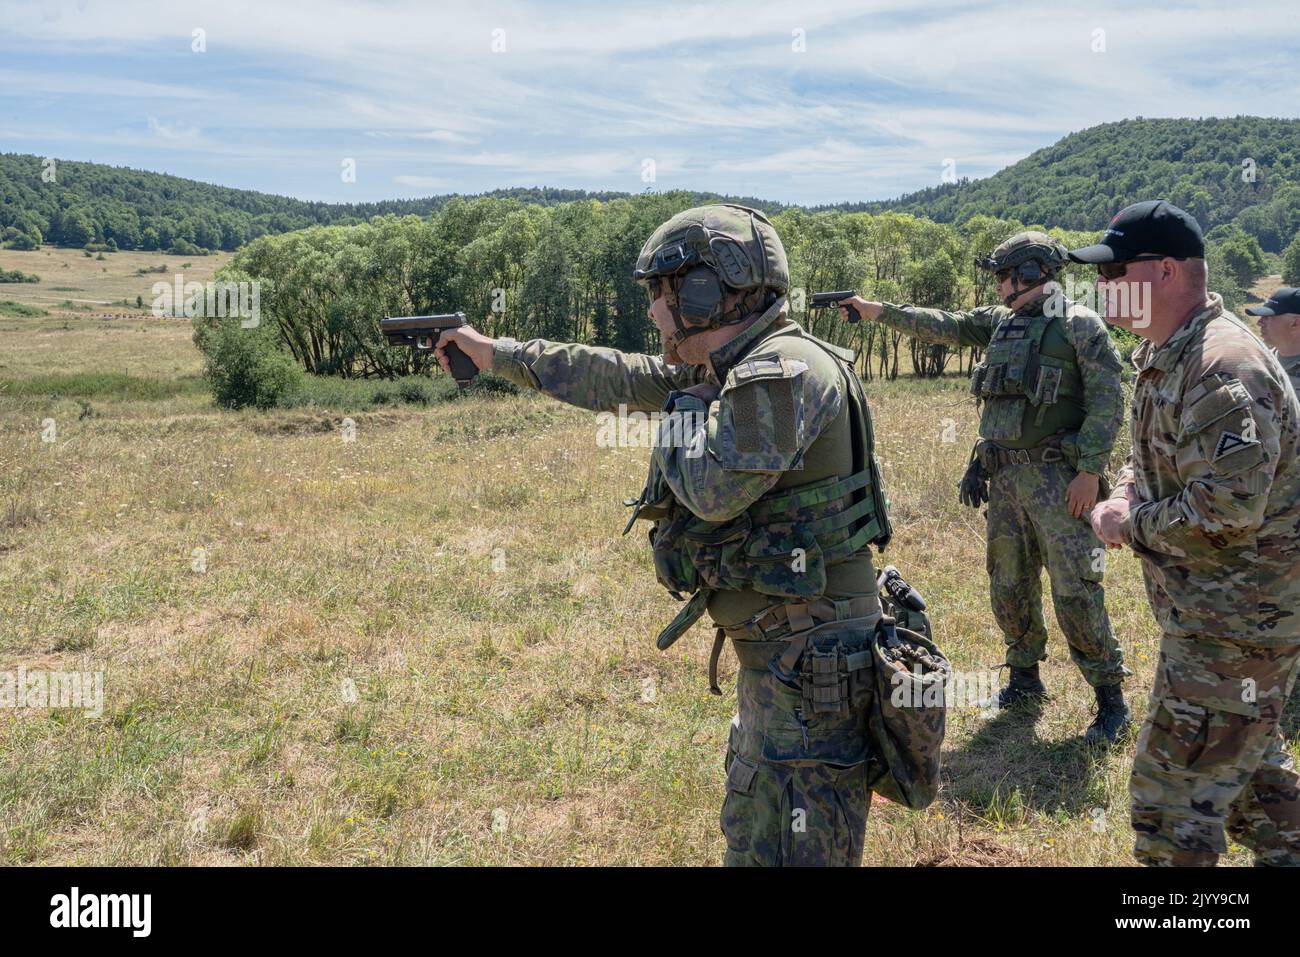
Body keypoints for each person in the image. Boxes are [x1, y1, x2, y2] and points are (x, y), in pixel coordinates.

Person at [434, 204, 912, 866]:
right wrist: (494, 354)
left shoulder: (780, 371)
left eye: (662, 293)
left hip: (811, 673)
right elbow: (615, 376)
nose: (654, 313)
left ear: (706, 291)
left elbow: (714, 488)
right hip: (791, 662)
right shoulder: (735, 370)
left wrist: (683, 410)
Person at [835, 231, 1131, 744]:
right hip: (1006, 478)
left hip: (1061, 482)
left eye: (1005, 275)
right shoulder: (1002, 324)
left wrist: (1089, 470)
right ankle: (1024, 679)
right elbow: (943, 326)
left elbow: (1109, 400)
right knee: (1008, 582)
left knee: (1075, 588)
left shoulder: (1078, 324)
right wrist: (875, 310)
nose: (999, 286)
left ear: (1035, 272)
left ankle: (1110, 699)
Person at [1084, 200, 1300, 867]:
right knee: (1257, 793)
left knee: (1169, 806)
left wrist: (1129, 523)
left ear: (1167, 271)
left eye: (1116, 269)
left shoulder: (1223, 366)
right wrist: (1125, 487)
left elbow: (1228, 510)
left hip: (1239, 628)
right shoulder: (1166, 353)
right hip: (1217, 620)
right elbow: (1152, 454)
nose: (1101, 284)